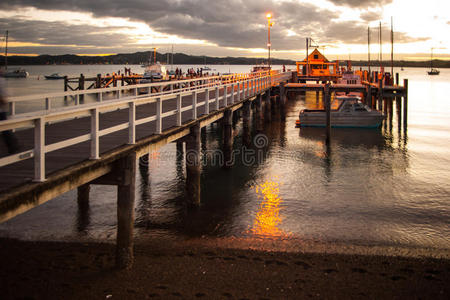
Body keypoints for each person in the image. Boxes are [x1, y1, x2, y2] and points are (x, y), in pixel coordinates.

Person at [0, 74, 19, 154]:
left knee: (6, 129)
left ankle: (13, 145)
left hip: (1, 110)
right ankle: (13, 145)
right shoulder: (1, 80)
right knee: (6, 129)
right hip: (1, 109)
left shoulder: (1, 80)